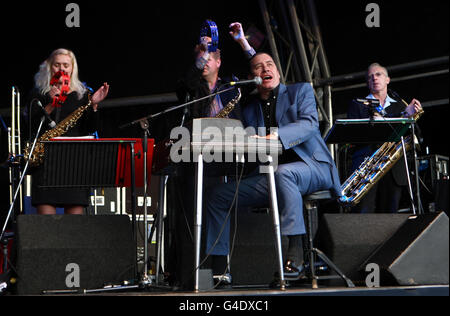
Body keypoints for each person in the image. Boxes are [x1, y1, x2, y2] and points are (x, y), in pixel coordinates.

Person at [204, 51, 342, 283]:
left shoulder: (301, 91)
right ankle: (219, 270)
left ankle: (296, 252)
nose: (266, 69)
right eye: (259, 67)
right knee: (218, 195)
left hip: (313, 168)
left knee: (284, 172)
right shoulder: (249, 109)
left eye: (270, 65)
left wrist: (271, 137)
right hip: (272, 176)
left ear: (278, 71)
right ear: (253, 77)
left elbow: (308, 125)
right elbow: (247, 144)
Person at [168, 22, 256, 289]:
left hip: (229, 157)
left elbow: (260, 73)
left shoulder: (232, 87)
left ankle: (220, 271)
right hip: (197, 160)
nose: (204, 61)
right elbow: (185, 81)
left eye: (209, 58)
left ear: (219, 62)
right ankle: (193, 276)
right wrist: (202, 53)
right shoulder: (192, 89)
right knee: (195, 217)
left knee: (220, 213)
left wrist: (243, 42)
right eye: (200, 57)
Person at [27, 48, 109, 215]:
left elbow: (90, 128)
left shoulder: (82, 94)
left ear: (73, 68)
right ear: (50, 67)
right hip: (46, 162)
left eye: (66, 65)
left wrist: (93, 105)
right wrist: (50, 104)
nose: (62, 69)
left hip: (75, 163)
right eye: (57, 65)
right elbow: (30, 127)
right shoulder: (39, 94)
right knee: (46, 226)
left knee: (74, 229)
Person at [347, 63, 422, 213]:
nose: (374, 78)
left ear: (387, 79)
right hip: (367, 168)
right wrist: (401, 116)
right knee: (365, 215)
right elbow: (354, 135)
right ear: (368, 83)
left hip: (393, 168)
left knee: (390, 216)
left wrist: (410, 116)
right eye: (370, 77)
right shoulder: (358, 105)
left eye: (378, 74)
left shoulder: (400, 105)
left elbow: (415, 135)